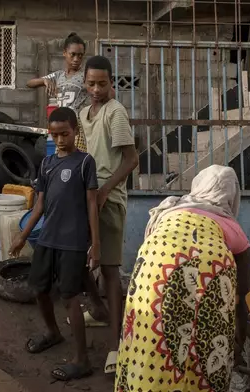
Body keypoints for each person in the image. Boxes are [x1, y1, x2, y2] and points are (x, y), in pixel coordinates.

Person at [115, 165, 250, 392]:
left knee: (151, 337)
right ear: (231, 194)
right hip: (209, 271)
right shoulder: (231, 228)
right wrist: (236, 342)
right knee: (205, 341)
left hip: (155, 269)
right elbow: (239, 297)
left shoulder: (167, 211)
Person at [9, 107, 100, 381]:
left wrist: (95, 244)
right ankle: (52, 332)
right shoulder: (47, 164)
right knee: (39, 288)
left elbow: (92, 204)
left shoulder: (85, 163)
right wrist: (22, 235)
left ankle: (82, 360)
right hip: (48, 237)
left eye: (65, 134)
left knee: (70, 296)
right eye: (55, 135)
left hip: (72, 241)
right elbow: (39, 206)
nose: (60, 140)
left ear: (75, 131)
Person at [78, 55, 139, 374]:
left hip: (109, 199)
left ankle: (116, 346)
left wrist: (104, 192)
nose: (97, 89)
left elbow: (131, 160)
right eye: (91, 84)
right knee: (78, 260)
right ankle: (99, 310)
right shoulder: (83, 113)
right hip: (87, 196)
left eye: (103, 83)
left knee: (111, 271)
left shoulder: (116, 113)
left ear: (112, 82)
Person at [27, 33, 89, 152]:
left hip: (77, 127)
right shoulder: (58, 75)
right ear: (64, 53)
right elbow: (29, 83)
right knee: (61, 161)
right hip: (60, 128)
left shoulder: (85, 75)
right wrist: (44, 80)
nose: (76, 59)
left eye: (80, 56)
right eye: (73, 54)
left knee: (75, 160)